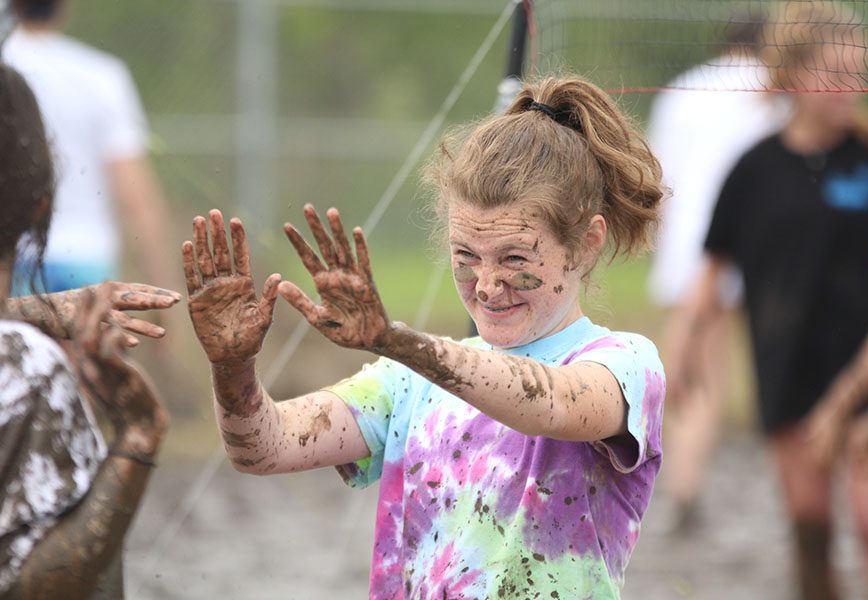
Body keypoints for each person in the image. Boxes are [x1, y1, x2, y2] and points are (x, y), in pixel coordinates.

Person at [184, 77, 666, 598]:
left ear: (586, 244)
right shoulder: (408, 380)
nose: (486, 285)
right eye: (466, 257)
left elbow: (547, 405)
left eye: (514, 259)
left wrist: (395, 341)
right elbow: (263, 447)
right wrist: (231, 366)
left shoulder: (624, 365)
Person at [669, 2, 868, 598]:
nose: (853, 88)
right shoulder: (754, 169)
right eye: (836, 73)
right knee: (809, 525)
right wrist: (687, 346)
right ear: (791, 73)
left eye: (861, 73)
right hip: (787, 362)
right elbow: (713, 269)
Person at [0, 63, 175, 599]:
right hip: (86, 254)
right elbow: (35, 586)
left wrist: (25, 311)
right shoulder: (27, 367)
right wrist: (137, 439)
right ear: (39, 205)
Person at [646, 14, 790, 529]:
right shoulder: (776, 95)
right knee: (708, 377)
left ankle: (675, 482)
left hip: (683, 251)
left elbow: (654, 178)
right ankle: (684, 488)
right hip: (749, 252)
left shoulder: (681, 90)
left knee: (683, 372)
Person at [2, 0, 179, 299]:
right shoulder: (101, 75)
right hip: (89, 267)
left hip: (16, 261)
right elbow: (134, 194)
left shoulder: (6, 70)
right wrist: (164, 292)